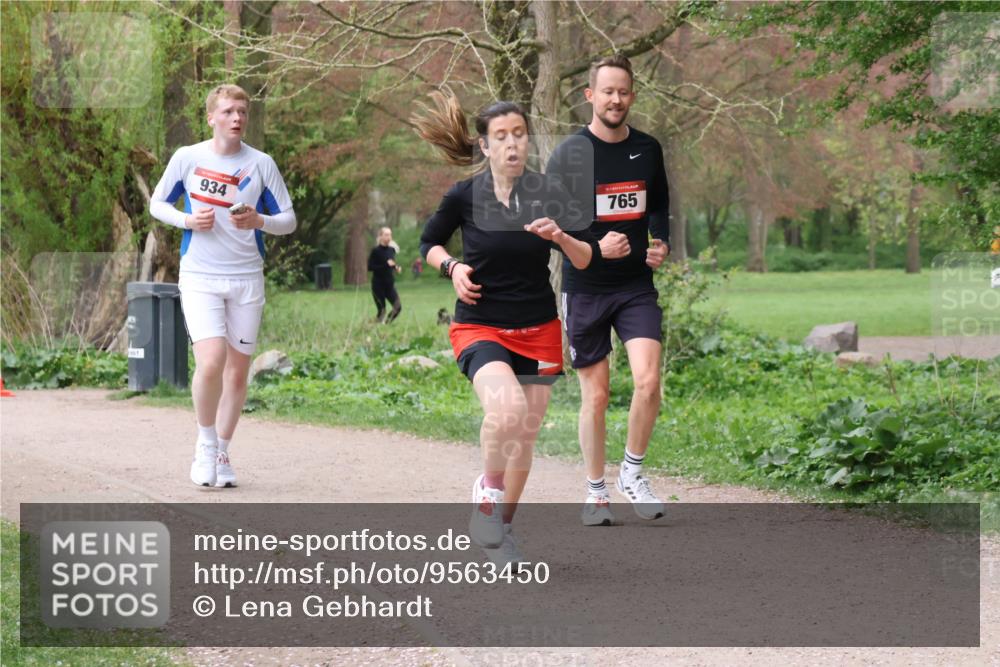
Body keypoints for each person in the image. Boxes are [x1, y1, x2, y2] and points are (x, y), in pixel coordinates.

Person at [413, 91, 628, 564]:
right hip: (480, 326)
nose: (512, 144)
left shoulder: (547, 191)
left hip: (539, 328)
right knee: (506, 410)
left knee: (524, 437)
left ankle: (502, 531)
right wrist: (452, 267)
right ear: (485, 147)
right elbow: (428, 242)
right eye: (501, 137)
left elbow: (585, 257)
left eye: (519, 135)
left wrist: (561, 236)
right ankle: (486, 496)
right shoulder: (465, 195)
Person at [149, 84, 296, 488]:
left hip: (247, 279)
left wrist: (259, 221)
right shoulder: (188, 158)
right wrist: (187, 221)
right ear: (211, 117)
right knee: (211, 361)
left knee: (236, 375)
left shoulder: (261, 164)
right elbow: (157, 203)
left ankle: (225, 452)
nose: (237, 118)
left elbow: (289, 218)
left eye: (243, 112)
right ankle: (205, 443)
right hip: (200, 276)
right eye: (229, 111)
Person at [546, 55, 670, 526]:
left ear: (632, 95)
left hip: (636, 285)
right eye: (608, 91)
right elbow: (556, 226)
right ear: (590, 96)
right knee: (595, 397)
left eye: (624, 91)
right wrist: (598, 247)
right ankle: (596, 490)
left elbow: (658, 205)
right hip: (586, 289)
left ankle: (632, 473)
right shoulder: (569, 156)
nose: (616, 99)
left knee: (648, 380)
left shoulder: (648, 149)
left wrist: (661, 242)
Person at [368, 226, 402, 323]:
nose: (389, 237)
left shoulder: (391, 250)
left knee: (398, 307)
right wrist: (385, 265)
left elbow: (391, 263)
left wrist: (396, 267)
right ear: (381, 237)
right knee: (382, 311)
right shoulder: (375, 251)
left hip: (389, 285)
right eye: (386, 235)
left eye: (390, 235)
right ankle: (375, 328)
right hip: (378, 285)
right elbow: (370, 267)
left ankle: (387, 325)